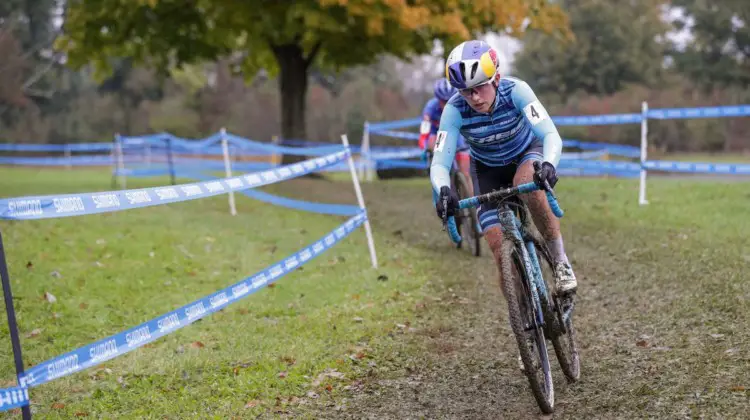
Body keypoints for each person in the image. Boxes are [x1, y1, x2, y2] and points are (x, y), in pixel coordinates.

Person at [429, 39, 577, 296]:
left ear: (496, 78)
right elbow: (440, 161)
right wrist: (444, 188)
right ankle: (527, 315)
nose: (473, 97)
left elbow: (550, 134)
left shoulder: (517, 91)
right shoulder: (454, 109)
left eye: (479, 87)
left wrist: (549, 165)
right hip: (487, 169)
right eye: (465, 91)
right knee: (499, 249)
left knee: (527, 185)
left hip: (525, 154)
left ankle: (561, 262)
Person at [419, 79, 473, 197]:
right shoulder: (430, 107)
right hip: (438, 133)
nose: (446, 104)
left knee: (465, 172)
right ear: (437, 99)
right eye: (443, 101)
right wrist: (424, 144)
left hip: (456, 131)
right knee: (433, 147)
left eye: (449, 100)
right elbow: (425, 128)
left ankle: (473, 204)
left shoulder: (460, 103)